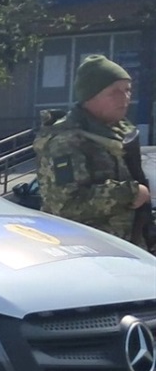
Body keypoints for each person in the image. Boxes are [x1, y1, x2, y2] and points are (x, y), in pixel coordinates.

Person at [36, 55, 152, 243]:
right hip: (89, 251)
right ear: (90, 96)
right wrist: (130, 193)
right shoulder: (66, 140)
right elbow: (66, 205)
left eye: (128, 90)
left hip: (127, 247)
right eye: (114, 92)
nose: (125, 98)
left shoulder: (121, 132)